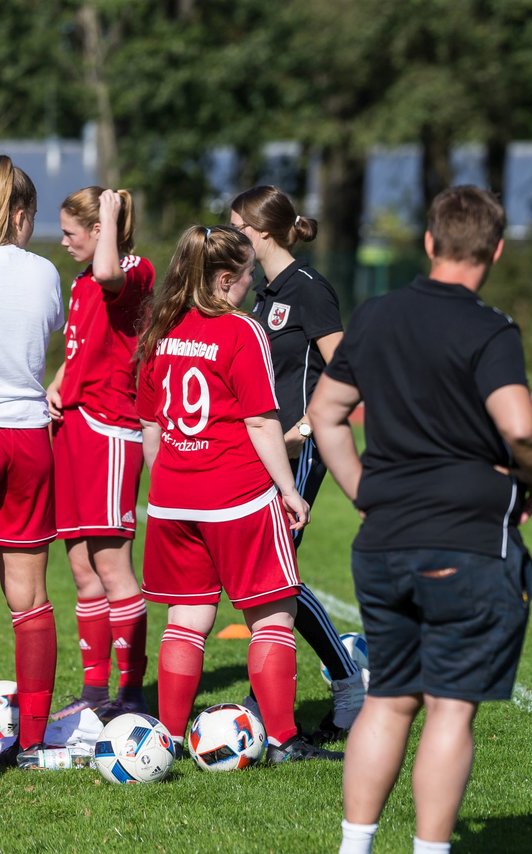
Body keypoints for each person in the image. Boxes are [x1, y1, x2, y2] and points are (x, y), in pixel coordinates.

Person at [308, 186, 532, 854]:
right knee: (449, 707)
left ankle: (354, 848)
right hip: (466, 542)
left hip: (382, 541)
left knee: (389, 699)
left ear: (429, 242)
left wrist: (364, 488)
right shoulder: (490, 329)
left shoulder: (377, 314)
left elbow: (326, 415)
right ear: (496, 251)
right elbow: (521, 427)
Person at [135, 225, 341, 763]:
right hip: (239, 496)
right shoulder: (241, 331)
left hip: (173, 499)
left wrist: (173, 480)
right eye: (247, 274)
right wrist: (288, 492)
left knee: (187, 620)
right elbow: (259, 423)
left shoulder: (160, 328)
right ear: (225, 278)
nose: (253, 284)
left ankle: (167, 740)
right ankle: (283, 739)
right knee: (273, 617)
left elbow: (151, 428)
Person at [230, 185, 365, 738]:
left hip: (303, 450)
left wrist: (308, 426)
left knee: (275, 576)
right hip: (265, 450)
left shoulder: (310, 290)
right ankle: (276, 688)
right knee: (260, 575)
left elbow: (347, 369)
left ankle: (346, 681)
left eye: (236, 227)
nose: (230, 236)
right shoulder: (263, 294)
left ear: (260, 231)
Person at [45, 186, 153, 722]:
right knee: (83, 570)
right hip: (73, 431)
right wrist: (59, 383)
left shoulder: (132, 269)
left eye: (70, 232)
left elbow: (113, 273)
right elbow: (82, 347)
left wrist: (110, 216)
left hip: (110, 431)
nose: (63, 241)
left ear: (98, 230)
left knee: (113, 569)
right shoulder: (82, 280)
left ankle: (131, 692)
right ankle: (94, 693)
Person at [0, 156, 63, 767]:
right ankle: (33, 740)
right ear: (20, 215)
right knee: (31, 597)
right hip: (24, 435)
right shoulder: (44, 271)